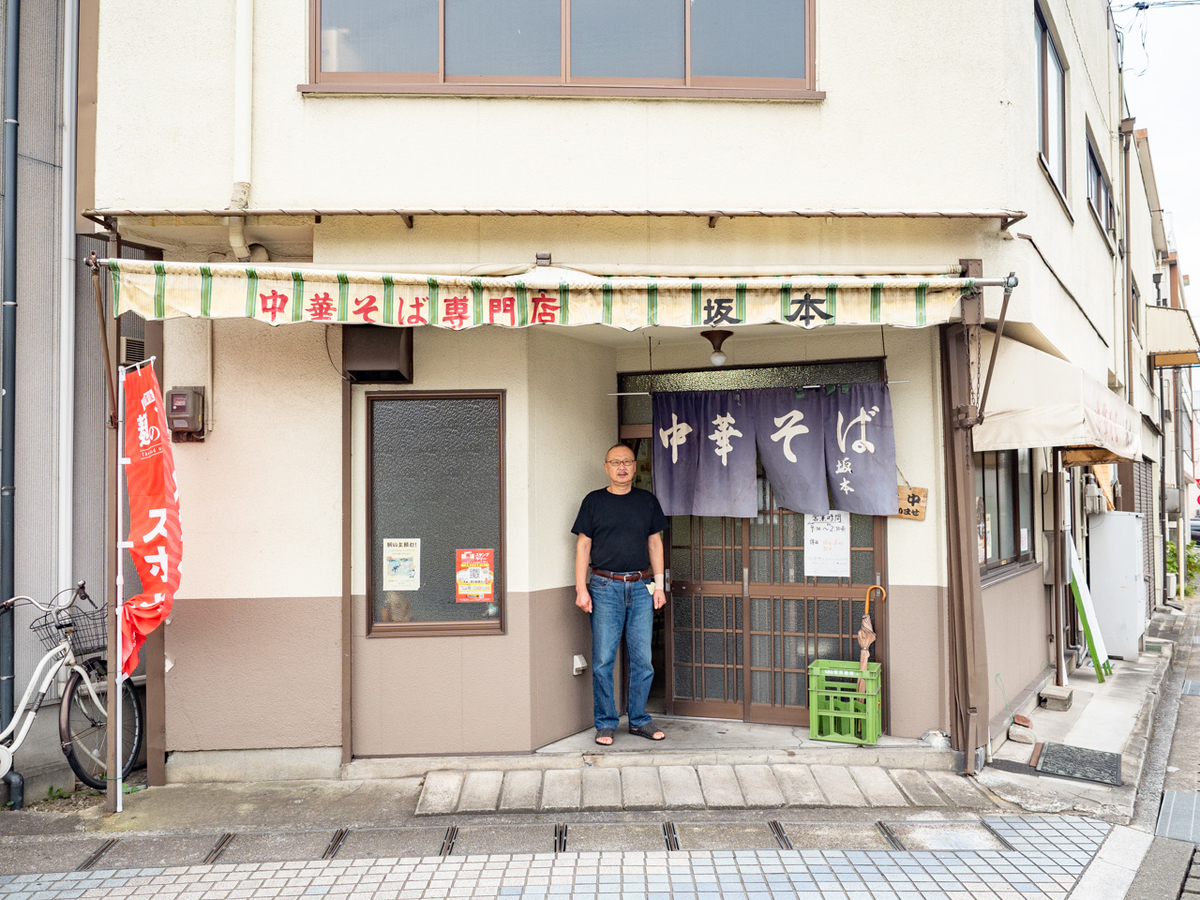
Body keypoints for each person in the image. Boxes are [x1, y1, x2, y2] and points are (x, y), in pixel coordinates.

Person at [572, 443, 668, 746]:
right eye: (616, 462)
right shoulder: (593, 501)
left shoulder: (647, 501)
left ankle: (639, 720)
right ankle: (606, 723)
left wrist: (660, 586)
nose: (622, 467)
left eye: (627, 461)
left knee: (643, 659)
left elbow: (655, 545)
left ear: (634, 467)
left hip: (641, 587)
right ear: (606, 467)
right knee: (602, 660)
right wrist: (580, 588)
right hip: (603, 587)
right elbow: (583, 547)